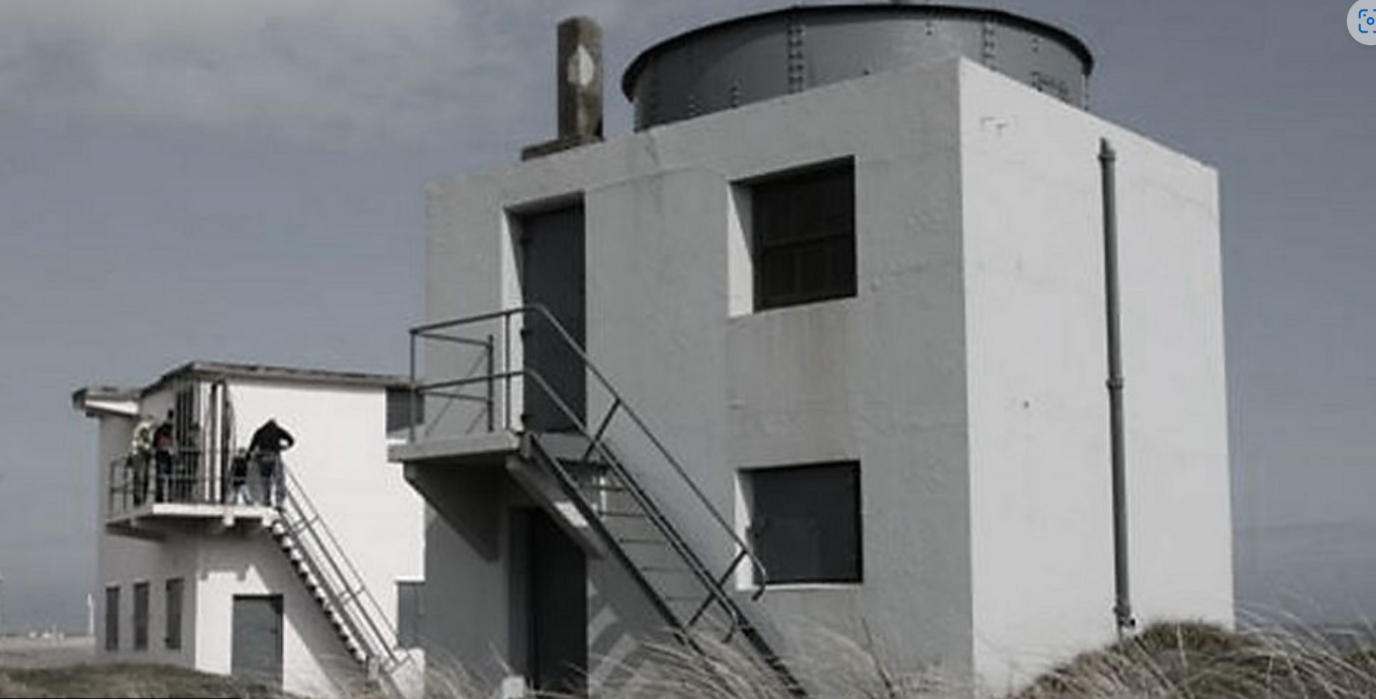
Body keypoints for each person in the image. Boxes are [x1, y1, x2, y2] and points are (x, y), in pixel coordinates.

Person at [249, 419, 295, 507]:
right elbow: (291, 440)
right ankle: (279, 502)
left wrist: (248, 456)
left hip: (262, 457)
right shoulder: (278, 430)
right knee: (279, 480)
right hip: (274, 456)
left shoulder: (260, 431)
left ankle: (266, 500)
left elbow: (251, 446)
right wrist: (284, 447)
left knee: (265, 480)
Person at [152, 411, 175, 503]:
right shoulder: (164, 430)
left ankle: (166, 497)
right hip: (163, 455)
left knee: (166, 478)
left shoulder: (163, 429)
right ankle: (163, 498)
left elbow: (155, 443)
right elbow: (158, 442)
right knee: (163, 478)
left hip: (164, 455)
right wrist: (168, 448)